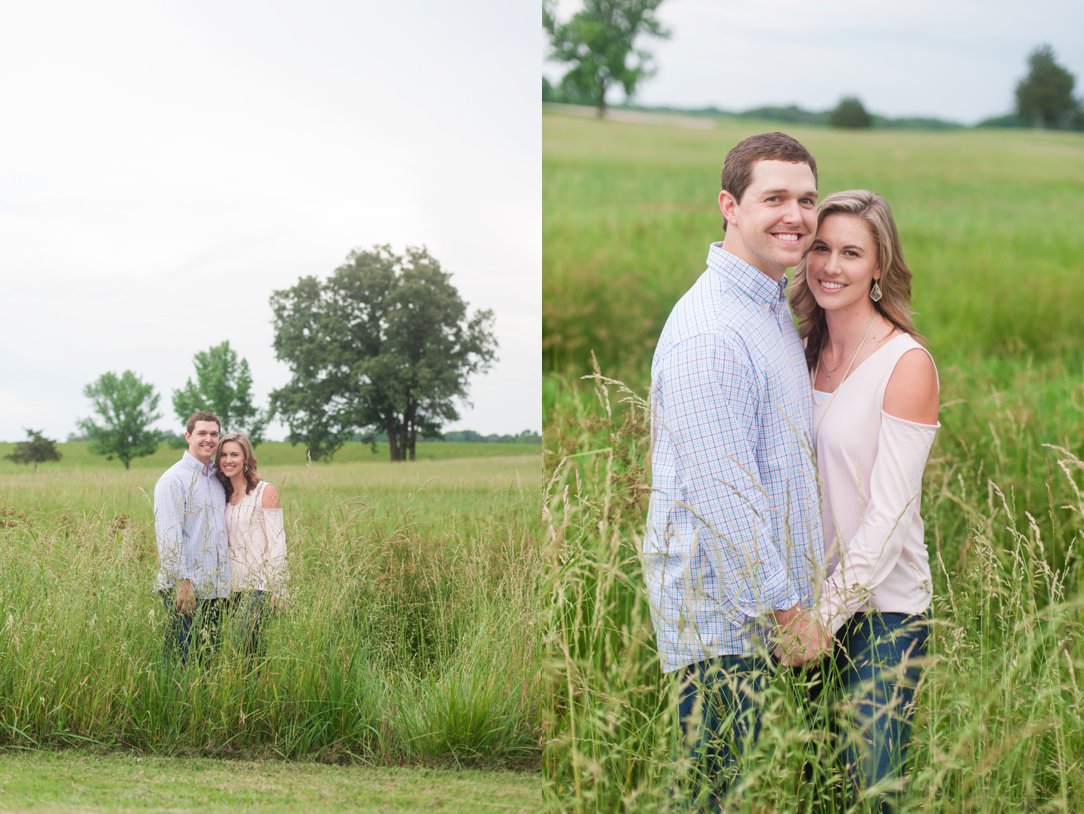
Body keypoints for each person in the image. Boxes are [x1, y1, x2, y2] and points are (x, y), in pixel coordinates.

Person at [642, 131, 827, 804]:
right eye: (774, 198)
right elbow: (725, 498)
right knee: (708, 795)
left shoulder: (769, 306)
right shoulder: (713, 330)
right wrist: (787, 613)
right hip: (722, 623)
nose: (795, 216)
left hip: (769, 616)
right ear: (730, 206)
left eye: (806, 200)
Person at [788, 190, 940, 810]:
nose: (830, 266)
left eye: (851, 253)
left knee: (868, 793)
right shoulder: (797, 352)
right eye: (820, 248)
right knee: (810, 787)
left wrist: (825, 617)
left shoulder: (906, 363)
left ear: (879, 266)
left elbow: (889, 515)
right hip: (799, 609)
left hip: (882, 613)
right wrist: (796, 611)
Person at [154, 410, 230, 666]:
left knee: (208, 662)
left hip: (214, 589)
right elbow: (168, 535)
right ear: (188, 436)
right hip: (185, 587)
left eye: (214, 434)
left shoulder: (218, 479)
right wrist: (182, 582)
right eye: (202, 433)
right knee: (183, 661)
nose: (209, 439)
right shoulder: (173, 479)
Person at [215, 431, 287, 658]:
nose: (228, 460)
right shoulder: (221, 494)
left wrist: (279, 589)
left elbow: (277, 544)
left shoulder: (265, 491)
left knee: (244, 645)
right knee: (237, 652)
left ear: (246, 458)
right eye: (223, 455)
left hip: (258, 586)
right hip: (228, 588)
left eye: (234, 454)